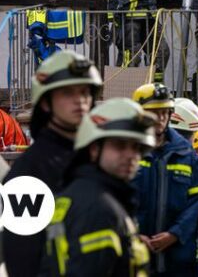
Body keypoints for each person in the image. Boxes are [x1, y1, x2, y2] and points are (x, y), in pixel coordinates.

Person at [3, 52, 102, 277]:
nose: (80, 100)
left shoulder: (97, 158)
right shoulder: (29, 172)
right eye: (68, 93)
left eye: (85, 92)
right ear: (46, 102)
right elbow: (21, 256)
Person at [40, 98, 155, 276]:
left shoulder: (80, 194)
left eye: (136, 147)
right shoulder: (99, 208)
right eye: (119, 145)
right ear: (94, 149)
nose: (131, 155)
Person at [130, 83, 198, 276]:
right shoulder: (127, 149)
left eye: (165, 112)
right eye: (155, 112)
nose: (161, 118)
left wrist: (175, 234)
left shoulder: (184, 152)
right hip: (135, 255)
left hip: (178, 258)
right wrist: (133, 235)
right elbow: (114, 198)